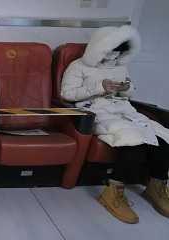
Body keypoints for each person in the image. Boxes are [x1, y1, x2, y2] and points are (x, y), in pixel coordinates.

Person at [61, 25, 169, 224]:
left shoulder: (120, 66)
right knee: (132, 143)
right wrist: (98, 87)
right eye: (112, 50)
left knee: (163, 141)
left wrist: (127, 88)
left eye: (120, 51)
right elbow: (67, 94)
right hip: (95, 110)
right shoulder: (78, 66)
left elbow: (128, 91)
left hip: (124, 109)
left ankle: (156, 187)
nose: (114, 55)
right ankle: (112, 193)